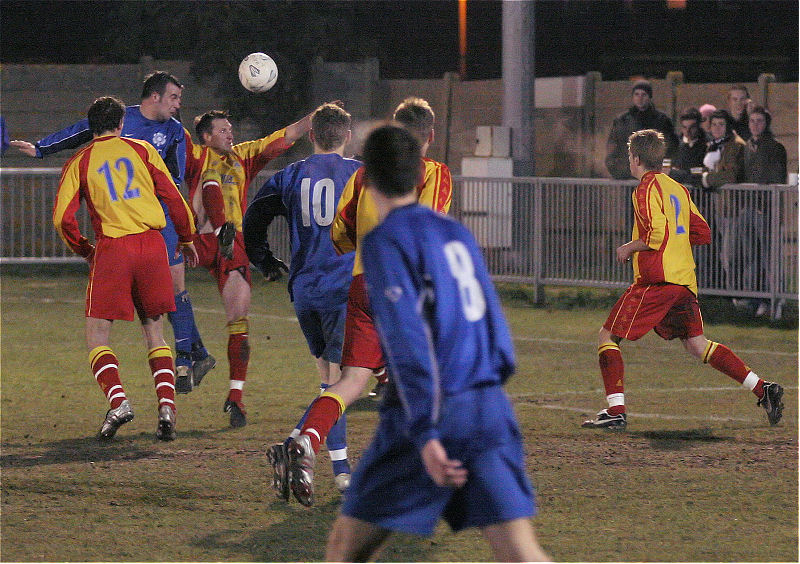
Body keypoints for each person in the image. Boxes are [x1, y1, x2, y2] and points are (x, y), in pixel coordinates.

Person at [323, 124, 549, 562]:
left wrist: (426, 432)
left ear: (366, 179)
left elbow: (408, 340)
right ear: (419, 176)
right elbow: (496, 329)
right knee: (524, 555)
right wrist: (485, 393)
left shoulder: (385, 242)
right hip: (486, 407)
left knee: (344, 551)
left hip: (428, 418)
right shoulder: (455, 232)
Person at [274, 97, 452, 507]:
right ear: (430, 136)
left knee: (350, 382)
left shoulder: (364, 175)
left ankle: (306, 441)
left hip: (362, 285)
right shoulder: (434, 173)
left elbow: (339, 232)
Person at [10, 71, 216, 394]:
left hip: (157, 218)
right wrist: (40, 149)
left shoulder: (175, 131)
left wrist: (181, 226)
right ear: (155, 97)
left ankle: (187, 359)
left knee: (175, 287)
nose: (179, 105)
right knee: (158, 301)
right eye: (174, 97)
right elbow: (81, 131)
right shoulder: (123, 118)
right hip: (125, 224)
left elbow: (175, 179)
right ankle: (196, 354)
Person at [581, 129, 783, 430]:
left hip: (657, 281)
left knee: (607, 337)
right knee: (697, 345)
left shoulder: (645, 189)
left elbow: (656, 233)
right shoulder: (678, 189)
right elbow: (703, 232)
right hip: (684, 281)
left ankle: (616, 411)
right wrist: (676, 244)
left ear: (636, 159)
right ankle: (763, 388)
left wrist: (628, 247)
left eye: (629, 157)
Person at [52, 96, 199, 441]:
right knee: (155, 332)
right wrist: (187, 237)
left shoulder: (80, 161)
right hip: (151, 246)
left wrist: (86, 249)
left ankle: (119, 403)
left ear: (91, 127)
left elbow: (62, 219)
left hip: (113, 250)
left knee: (97, 336)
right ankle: (166, 408)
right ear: (120, 124)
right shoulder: (143, 150)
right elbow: (174, 197)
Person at [243, 102, 361, 493]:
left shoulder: (291, 174)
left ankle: (294, 446)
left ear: (311, 135)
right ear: (347, 135)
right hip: (344, 289)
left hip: (306, 289)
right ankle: (340, 473)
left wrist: (263, 259)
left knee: (330, 382)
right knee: (344, 383)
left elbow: (254, 219)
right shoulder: (361, 174)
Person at [185, 106, 315, 427]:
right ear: (205, 136)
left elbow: (284, 137)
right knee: (209, 181)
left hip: (233, 245)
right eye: (223, 130)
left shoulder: (242, 157)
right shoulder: (194, 155)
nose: (231, 133)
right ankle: (190, 355)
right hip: (197, 239)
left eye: (231, 128)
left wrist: (314, 117)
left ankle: (236, 398)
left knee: (239, 317)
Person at [741, 105, 787, 316]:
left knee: (770, 258)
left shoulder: (775, 147)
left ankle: (774, 300)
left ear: (766, 123)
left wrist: (772, 207)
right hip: (748, 207)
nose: (755, 125)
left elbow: (777, 179)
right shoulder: (747, 146)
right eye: (752, 121)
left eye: (759, 121)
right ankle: (754, 299)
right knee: (751, 256)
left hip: (766, 208)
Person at [700, 109, 747, 295]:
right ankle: (727, 293)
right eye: (714, 124)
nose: (717, 128)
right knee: (722, 252)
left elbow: (730, 175)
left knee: (732, 253)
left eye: (721, 124)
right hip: (718, 206)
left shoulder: (735, 145)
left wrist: (705, 180)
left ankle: (737, 295)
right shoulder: (713, 144)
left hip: (733, 206)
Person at [605, 80, 678, 179]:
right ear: (632, 97)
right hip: (628, 176)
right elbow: (612, 147)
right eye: (637, 94)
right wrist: (618, 171)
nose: (640, 98)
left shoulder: (662, 120)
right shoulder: (622, 121)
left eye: (644, 94)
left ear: (649, 97)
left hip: (654, 176)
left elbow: (672, 147)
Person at [667, 107, 706, 186]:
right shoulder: (675, 145)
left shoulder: (707, 145)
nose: (687, 132)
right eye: (684, 127)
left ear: (698, 126)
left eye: (692, 128)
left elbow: (701, 173)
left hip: (700, 195)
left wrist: (678, 174)